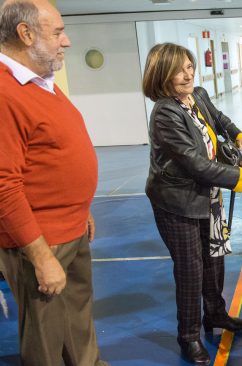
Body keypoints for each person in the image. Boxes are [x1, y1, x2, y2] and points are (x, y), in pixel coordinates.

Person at [0, 1, 108, 365]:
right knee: (46, 338)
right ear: (25, 34)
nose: (67, 41)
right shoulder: (4, 93)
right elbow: (4, 187)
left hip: (71, 229)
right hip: (39, 240)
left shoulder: (41, 83)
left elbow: (52, 157)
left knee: (78, 320)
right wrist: (42, 258)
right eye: (58, 32)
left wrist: (81, 209)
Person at [142, 43, 242, 364]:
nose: (188, 73)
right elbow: (195, 164)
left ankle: (216, 314)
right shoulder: (165, 112)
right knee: (191, 269)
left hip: (207, 194)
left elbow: (219, 119)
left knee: (214, 258)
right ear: (162, 74)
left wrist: (238, 135)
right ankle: (189, 335)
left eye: (190, 66)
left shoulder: (198, 95)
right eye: (180, 69)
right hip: (177, 201)